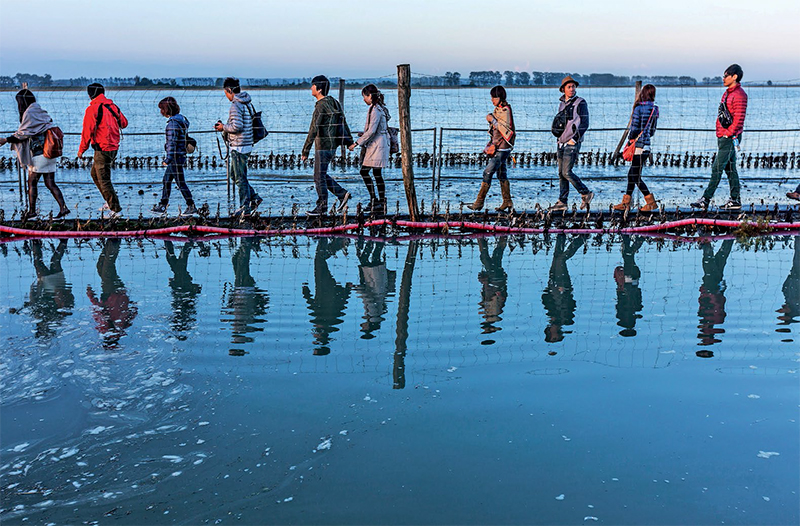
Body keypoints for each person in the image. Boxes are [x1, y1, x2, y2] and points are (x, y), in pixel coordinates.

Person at [0, 89, 69, 220]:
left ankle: (32, 211)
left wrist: (5, 140)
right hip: (50, 153)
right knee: (50, 183)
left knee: (31, 182)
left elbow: (23, 134)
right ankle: (63, 208)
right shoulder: (39, 110)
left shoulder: (30, 113)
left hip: (39, 154)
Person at [691, 64, 748, 211]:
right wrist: (721, 132)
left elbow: (739, 119)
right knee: (730, 168)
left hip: (729, 137)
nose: (723, 78)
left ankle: (705, 199)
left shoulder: (740, 95)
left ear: (734, 77)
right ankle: (735, 200)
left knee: (716, 167)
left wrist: (728, 133)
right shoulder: (727, 93)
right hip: (723, 135)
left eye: (726, 75)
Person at [301, 75, 353, 216]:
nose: (311, 88)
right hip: (332, 146)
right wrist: (349, 141)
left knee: (318, 177)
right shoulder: (334, 102)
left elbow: (313, 129)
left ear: (319, 89)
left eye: (313, 85)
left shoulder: (321, 106)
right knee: (321, 175)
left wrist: (305, 150)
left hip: (323, 145)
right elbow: (343, 122)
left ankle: (321, 208)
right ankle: (342, 194)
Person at [78, 83, 128, 218]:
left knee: (104, 179)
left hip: (102, 149)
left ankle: (116, 210)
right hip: (113, 147)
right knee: (95, 174)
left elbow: (86, 132)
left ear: (90, 95)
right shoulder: (112, 106)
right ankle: (108, 200)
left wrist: (81, 150)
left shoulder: (92, 109)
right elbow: (124, 123)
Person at [214, 77, 262, 218]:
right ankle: (254, 197)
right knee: (235, 176)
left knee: (239, 178)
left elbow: (237, 126)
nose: (226, 96)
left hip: (239, 146)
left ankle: (244, 208)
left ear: (229, 91)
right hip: (246, 144)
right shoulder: (246, 102)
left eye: (226, 93)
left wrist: (223, 127)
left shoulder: (235, 105)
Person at [467, 86, 516, 212]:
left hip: (502, 148)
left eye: (494, 97)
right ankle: (507, 201)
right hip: (499, 147)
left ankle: (479, 202)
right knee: (501, 174)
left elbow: (504, 128)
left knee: (487, 172)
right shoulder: (498, 110)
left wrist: (492, 119)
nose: (492, 100)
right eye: (491, 97)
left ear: (501, 97)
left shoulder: (505, 110)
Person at [613, 84, 659, 212]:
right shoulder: (655, 109)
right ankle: (626, 203)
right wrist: (645, 135)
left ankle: (651, 202)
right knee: (632, 174)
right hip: (646, 146)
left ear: (642, 93)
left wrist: (631, 139)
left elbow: (634, 129)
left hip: (638, 146)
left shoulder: (638, 108)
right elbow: (652, 131)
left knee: (635, 176)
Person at [550, 76, 592, 212]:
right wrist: (559, 139)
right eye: (569, 87)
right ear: (563, 89)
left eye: (573, 86)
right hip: (561, 142)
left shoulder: (581, 103)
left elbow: (585, 123)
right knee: (561, 174)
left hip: (572, 143)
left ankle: (585, 193)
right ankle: (562, 201)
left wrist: (574, 139)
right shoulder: (562, 104)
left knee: (567, 172)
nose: (572, 89)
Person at [348, 84, 390, 215]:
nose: (363, 99)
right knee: (376, 174)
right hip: (378, 144)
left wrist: (356, 143)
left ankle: (376, 200)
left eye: (364, 96)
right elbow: (373, 129)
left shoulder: (376, 110)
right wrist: (364, 134)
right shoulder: (378, 108)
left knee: (365, 172)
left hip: (377, 145)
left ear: (370, 96)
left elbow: (372, 131)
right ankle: (379, 202)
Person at [152, 97, 197, 215]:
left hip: (175, 157)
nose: (160, 112)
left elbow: (172, 143)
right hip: (180, 156)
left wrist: (168, 159)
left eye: (161, 109)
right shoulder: (181, 121)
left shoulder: (172, 125)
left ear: (166, 110)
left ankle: (191, 205)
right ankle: (163, 204)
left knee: (180, 182)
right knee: (166, 180)